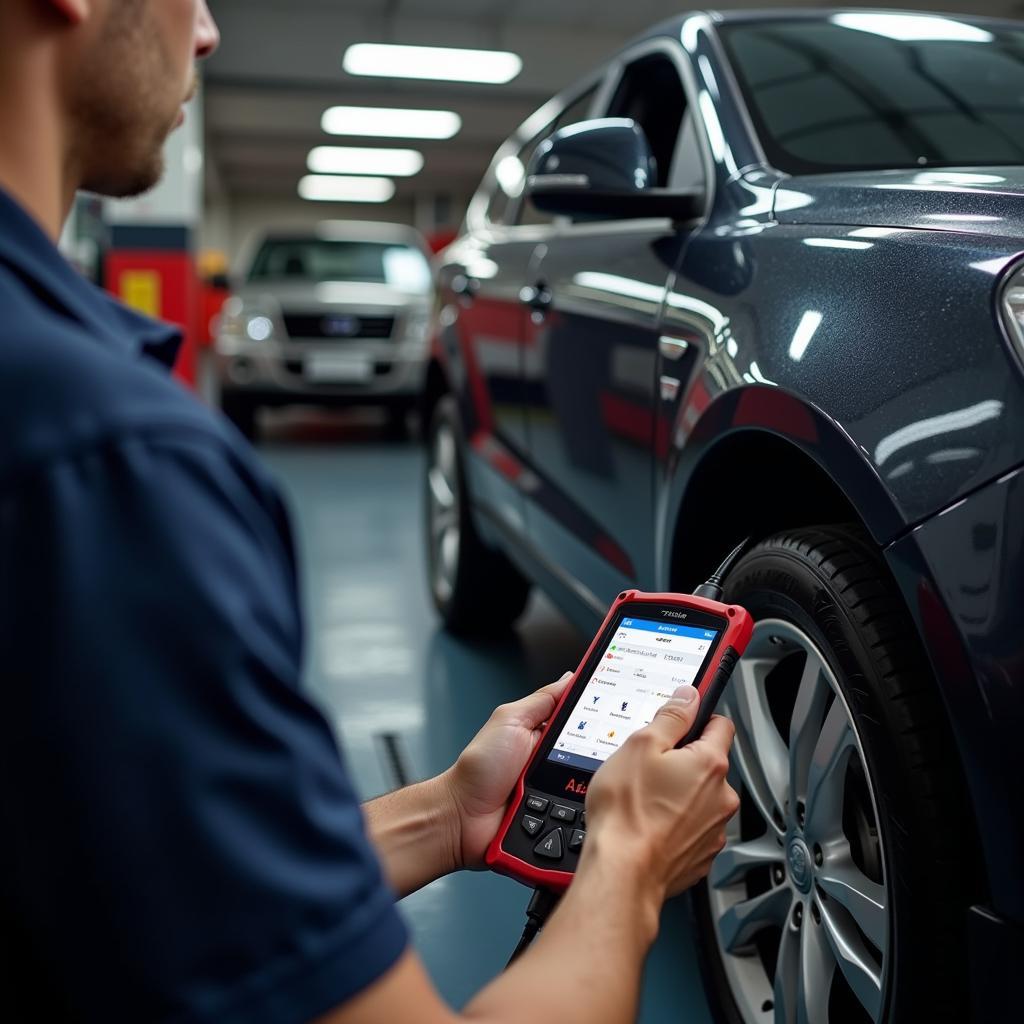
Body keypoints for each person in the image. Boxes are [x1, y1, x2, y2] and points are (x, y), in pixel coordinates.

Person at [0, 2, 740, 1022]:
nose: (209, 32)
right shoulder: (112, 461)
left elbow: (131, 869)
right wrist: (626, 861)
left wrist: (445, 814)